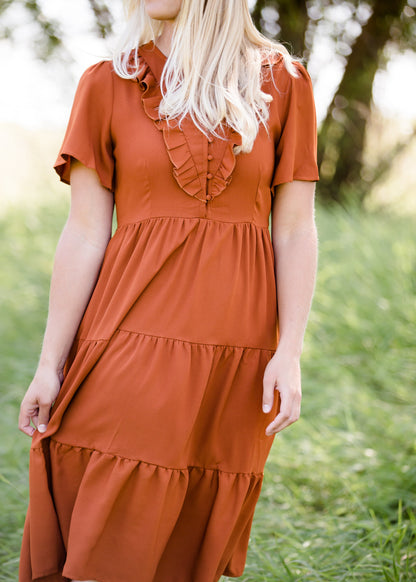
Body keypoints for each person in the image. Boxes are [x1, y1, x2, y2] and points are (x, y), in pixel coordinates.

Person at [18, 0, 319, 581]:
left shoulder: (282, 82)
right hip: (128, 334)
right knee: (105, 531)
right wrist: (49, 364)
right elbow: (84, 232)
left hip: (236, 348)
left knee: (180, 545)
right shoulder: (107, 82)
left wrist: (291, 351)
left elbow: (295, 228)